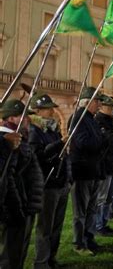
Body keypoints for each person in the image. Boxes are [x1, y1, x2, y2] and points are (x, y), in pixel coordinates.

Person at [0, 99, 43, 269]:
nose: (28, 120)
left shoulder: (18, 138)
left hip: (24, 204)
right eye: (24, 116)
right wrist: (16, 208)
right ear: (11, 118)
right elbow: (8, 177)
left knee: (18, 253)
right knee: (8, 256)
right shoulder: (6, 139)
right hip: (13, 208)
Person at [29, 93, 69, 269]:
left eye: (52, 108)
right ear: (37, 111)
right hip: (47, 184)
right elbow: (38, 156)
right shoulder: (34, 131)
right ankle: (41, 262)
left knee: (56, 226)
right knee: (45, 227)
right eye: (48, 108)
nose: (52, 111)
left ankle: (51, 258)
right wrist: (60, 144)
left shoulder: (51, 129)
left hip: (60, 182)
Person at [69, 87, 105, 256]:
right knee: (81, 212)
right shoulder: (78, 118)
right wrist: (101, 141)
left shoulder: (91, 118)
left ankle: (89, 238)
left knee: (92, 209)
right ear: (88, 102)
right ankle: (79, 243)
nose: (99, 105)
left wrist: (100, 141)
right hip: (82, 171)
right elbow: (84, 143)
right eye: (97, 101)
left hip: (93, 170)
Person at [94, 95, 113, 236]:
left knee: (110, 197)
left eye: (112, 107)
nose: (111, 109)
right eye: (109, 107)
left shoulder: (112, 121)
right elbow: (104, 142)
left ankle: (104, 221)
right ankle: (98, 225)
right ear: (102, 107)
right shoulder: (98, 121)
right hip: (104, 165)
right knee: (102, 197)